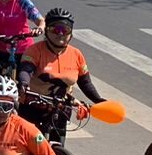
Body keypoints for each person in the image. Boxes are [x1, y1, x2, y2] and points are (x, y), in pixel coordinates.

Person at [16, 7, 106, 135]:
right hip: (33, 107)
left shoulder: (76, 54)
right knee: (28, 146)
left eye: (65, 29)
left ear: (71, 33)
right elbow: (26, 70)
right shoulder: (34, 51)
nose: (60, 33)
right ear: (46, 31)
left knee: (57, 148)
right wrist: (23, 84)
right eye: (55, 29)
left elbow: (85, 83)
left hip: (61, 108)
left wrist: (99, 100)